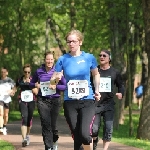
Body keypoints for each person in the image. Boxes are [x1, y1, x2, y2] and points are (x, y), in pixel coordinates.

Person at [51, 29, 101, 150]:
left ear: (80, 42)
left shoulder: (89, 57)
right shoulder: (63, 59)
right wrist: (56, 79)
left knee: (84, 134)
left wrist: (97, 90)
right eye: (69, 42)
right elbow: (53, 81)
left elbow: (95, 74)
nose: (71, 44)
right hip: (70, 102)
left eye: (74, 41)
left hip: (87, 100)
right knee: (77, 135)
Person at [30, 51, 66, 150]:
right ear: (44, 60)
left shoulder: (58, 71)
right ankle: (48, 147)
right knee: (45, 124)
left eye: (51, 59)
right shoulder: (39, 71)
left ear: (53, 60)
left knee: (53, 125)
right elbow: (31, 84)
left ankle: (55, 139)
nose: (49, 61)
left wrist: (56, 85)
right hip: (42, 100)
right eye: (47, 59)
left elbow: (64, 86)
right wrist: (36, 85)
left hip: (55, 100)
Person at [92, 50, 124, 150]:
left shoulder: (115, 72)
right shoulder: (94, 70)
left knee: (108, 127)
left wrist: (121, 93)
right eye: (100, 55)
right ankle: (95, 141)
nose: (101, 57)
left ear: (109, 58)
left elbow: (121, 85)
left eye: (104, 55)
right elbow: (87, 83)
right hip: (95, 104)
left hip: (109, 104)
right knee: (94, 129)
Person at [15, 64, 36, 147]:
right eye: (25, 72)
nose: (27, 73)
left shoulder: (33, 80)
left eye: (28, 72)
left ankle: (27, 135)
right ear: (23, 72)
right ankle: (24, 139)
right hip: (22, 100)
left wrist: (30, 84)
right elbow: (15, 87)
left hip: (31, 101)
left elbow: (36, 91)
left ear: (30, 72)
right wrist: (12, 91)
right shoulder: (20, 79)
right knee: (24, 117)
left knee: (29, 119)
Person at [0, 67, 16, 135]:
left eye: (4, 72)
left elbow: (15, 88)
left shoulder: (10, 80)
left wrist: (12, 91)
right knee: (1, 113)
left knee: (6, 115)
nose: (3, 73)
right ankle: (0, 128)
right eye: (2, 72)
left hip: (7, 99)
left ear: (7, 73)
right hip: (0, 98)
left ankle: (4, 126)